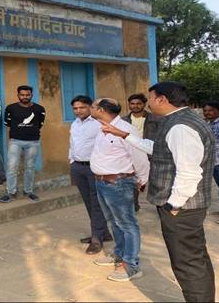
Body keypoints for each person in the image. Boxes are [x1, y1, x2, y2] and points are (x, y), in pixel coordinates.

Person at [100, 82, 216, 302]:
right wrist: (124, 135)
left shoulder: (181, 127)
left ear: (162, 99)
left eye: (151, 98)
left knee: (187, 262)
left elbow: (189, 172)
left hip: (182, 208)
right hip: (184, 206)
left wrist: (174, 204)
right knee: (195, 258)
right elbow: (159, 149)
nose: (149, 103)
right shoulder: (179, 121)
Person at [89, 98, 149, 282]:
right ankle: (119, 254)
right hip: (102, 183)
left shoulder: (125, 129)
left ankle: (131, 266)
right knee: (114, 222)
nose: (90, 108)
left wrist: (142, 179)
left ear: (101, 109)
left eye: (93, 106)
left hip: (119, 183)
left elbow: (139, 156)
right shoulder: (101, 127)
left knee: (127, 224)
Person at [68, 95, 113, 255]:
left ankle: (96, 239)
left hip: (94, 168)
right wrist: (71, 161)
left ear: (90, 107)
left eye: (82, 107)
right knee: (88, 202)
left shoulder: (98, 124)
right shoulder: (75, 124)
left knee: (96, 204)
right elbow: (72, 144)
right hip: (78, 167)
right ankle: (103, 232)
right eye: (75, 108)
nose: (78, 111)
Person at [0, 85, 46, 203]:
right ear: (18, 95)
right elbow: (7, 123)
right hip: (15, 141)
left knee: (29, 167)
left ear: (31, 95)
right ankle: (11, 192)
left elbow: (40, 123)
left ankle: (28, 191)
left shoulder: (39, 109)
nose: (25, 97)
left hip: (33, 142)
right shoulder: (11, 108)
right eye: (22, 95)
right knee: (11, 166)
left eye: (27, 95)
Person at [122, 93, 161, 211]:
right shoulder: (123, 120)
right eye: (132, 104)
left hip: (150, 153)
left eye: (138, 103)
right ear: (129, 105)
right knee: (133, 181)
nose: (135, 106)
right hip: (131, 154)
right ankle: (134, 205)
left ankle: (160, 206)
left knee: (156, 182)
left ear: (144, 104)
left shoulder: (155, 119)